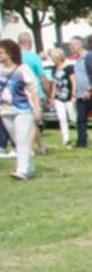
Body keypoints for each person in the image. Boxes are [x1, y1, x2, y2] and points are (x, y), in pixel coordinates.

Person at [0, 39, 43, 180]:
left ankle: (22, 170)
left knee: (22, 139)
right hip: (5, 110)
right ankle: (29, 168)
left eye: (2, 52)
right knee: (18, 141)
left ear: (10, 54)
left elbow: (33, 90)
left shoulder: (22, 70)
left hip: (23, 109)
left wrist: (37, 108)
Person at [47, 46, 74, 146]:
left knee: (72, 117)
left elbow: (72, 81)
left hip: (68, 96)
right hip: (58, 97)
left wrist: (73, 94)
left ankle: (81, 133)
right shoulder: (54, 69)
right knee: (61, 118)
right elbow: (54, 83)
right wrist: (52, 96)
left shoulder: (69, 68)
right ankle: (65, 138)